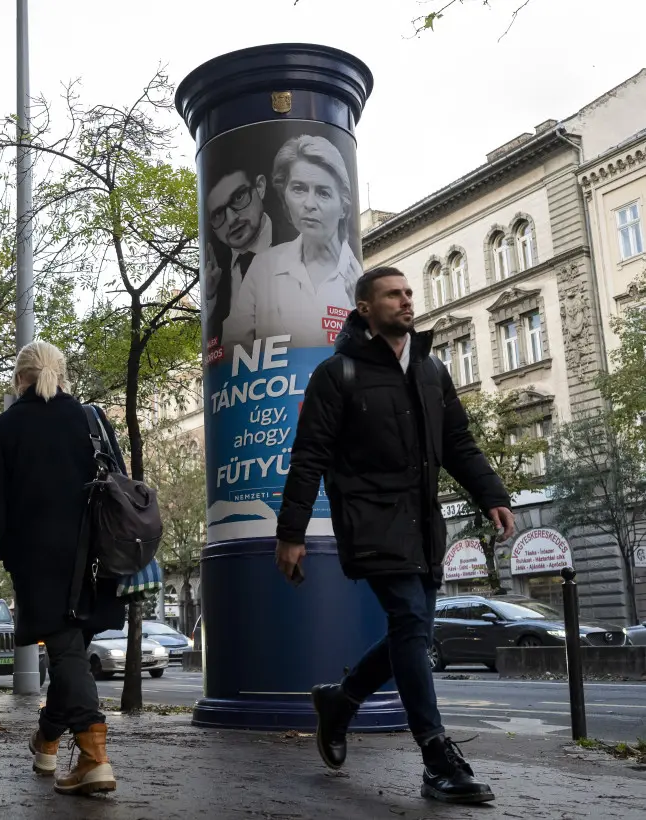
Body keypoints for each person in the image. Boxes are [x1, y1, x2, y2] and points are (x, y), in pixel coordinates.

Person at [273, 267, 515, 805]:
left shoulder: (430, 368)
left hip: (424, 522)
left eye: (408, 293)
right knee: (410, 620)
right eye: (393, 294)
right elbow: (308, 456)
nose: (406, 301)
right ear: (365, 308)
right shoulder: (337, 375)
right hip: (369, 521)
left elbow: (458, 441)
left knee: (414, 628)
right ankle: (435, 756)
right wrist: (290, 534)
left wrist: (492, 494)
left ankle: (342, 699)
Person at [0, 341, 126, 797]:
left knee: (66, 654)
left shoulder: (4, 427)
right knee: (70, 649)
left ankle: (93, 756)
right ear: (62, 374)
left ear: (19, 378)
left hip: (36, 557)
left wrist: (13, 560)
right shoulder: (87, 419)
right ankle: (47, 741)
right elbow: (113, 482)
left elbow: (0, 512)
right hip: (92, 555)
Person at [231, 134, 363, 351]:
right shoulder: (263, 267)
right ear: (285, 195)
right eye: (299, 189)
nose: (309, 204)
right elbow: (231, 350)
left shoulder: (360, 280)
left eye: (323, 192)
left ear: (343, 206)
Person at [204, 167, 275, 346]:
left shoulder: (302, 241)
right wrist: (210, 295)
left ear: (260, 187)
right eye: (218, 214)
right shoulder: (216, 272)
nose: (231, 219)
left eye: (238, 198)